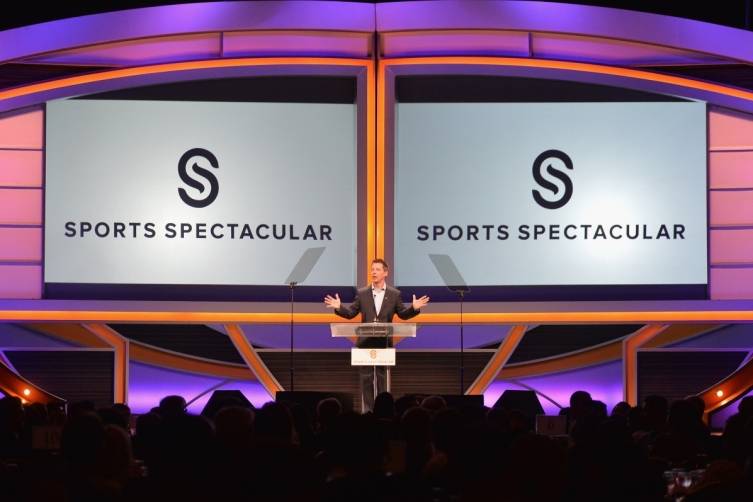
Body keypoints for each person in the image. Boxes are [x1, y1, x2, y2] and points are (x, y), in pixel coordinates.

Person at [324, 258, 429, 412]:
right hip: (365, 344)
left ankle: (383, 413)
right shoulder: (362, 293)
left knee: (382, 381)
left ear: (385, 273)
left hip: (384, 344)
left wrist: (413, 308)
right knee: (366, 381)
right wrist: (339, 307)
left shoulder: (394, 294)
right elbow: (351, 314)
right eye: (372, 269)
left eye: (377, 269)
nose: (373, 272)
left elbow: (403, 315)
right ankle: (368, 412)